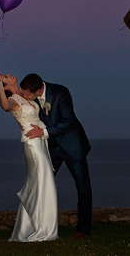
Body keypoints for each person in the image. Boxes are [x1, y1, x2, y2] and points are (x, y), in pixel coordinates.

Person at [20, 73, 92, 239]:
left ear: (38, 91)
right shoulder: (31, 95)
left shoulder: (61, 92)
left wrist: (43, 132)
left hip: (73, 146)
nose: (25, 97)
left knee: (83, 189)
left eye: (27, 95)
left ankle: (83, 230)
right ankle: (38, 227)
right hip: (52, 148)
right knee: (41, 185)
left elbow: (68, 121)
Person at [0, 71, 58, 242]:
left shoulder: (25, 96)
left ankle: (31, 227)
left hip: (40, 142)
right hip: (32, 145)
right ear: (5, 86)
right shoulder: (12, 101)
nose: (9, 74)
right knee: (42, 182)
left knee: (40, 184)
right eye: (6, 77)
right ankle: (42, 229)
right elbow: (5, 106)